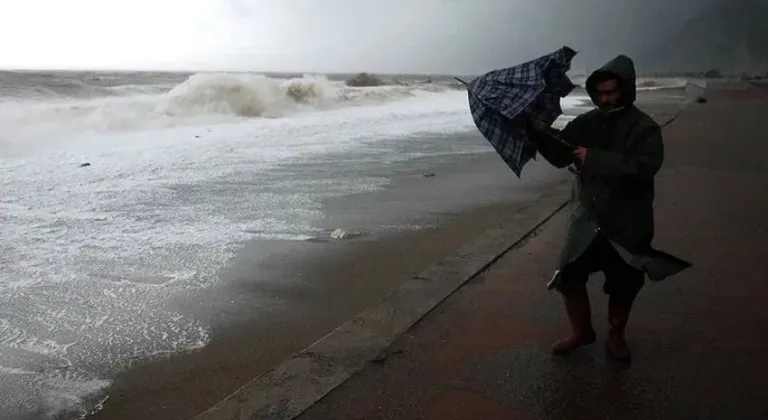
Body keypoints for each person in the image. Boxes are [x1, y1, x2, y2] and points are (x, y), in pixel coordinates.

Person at [528, 54, 666, 362]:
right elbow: (562, 154)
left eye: (610, 92)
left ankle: (616, 334)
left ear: (625, 90)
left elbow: (645, 166)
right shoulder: (585, 122)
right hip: (587, 219)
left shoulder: (645, 128)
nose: (604, 99)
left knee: (624, 284)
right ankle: (582, 332)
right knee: (568, 276)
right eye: (599, 92)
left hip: (627, 222)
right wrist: (540, 133)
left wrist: (596, 159)